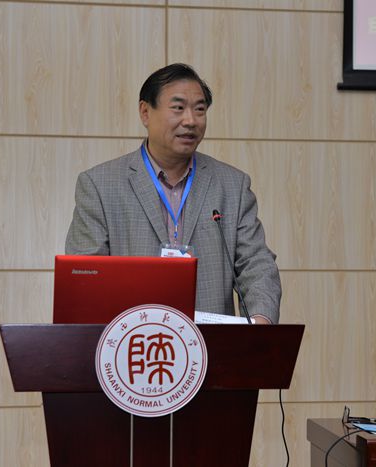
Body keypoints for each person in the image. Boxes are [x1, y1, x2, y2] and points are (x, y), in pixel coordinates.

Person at [65, 63, 280, 324]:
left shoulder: (232, 185)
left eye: (199, 109)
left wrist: (260, 322)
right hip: (134, 341)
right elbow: (86, 276)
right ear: (145, 112)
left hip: (210, 344)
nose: (190, 121)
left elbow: (256, 264)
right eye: (178, 108)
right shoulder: (100, 185)